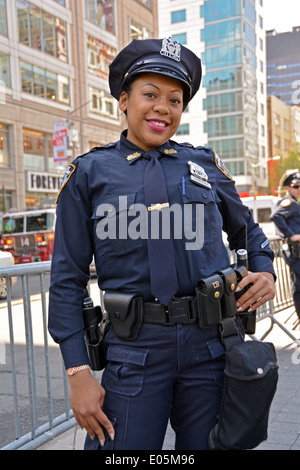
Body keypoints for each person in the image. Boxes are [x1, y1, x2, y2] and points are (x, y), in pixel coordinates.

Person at [48, 38, 276, 450]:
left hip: (210, 347)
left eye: (174, 100)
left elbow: (247, 231)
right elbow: (67, 278)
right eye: (149, 95)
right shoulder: (89, 174)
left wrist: (264, 269)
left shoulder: (203, 163)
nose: (162, 108)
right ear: (123, 99)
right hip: (134, 352)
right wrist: (77, 371)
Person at [270, 172, 300, 321]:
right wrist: (291, 235)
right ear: (288, 188)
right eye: (296, 186)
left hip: (295, 250)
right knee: (298, 286)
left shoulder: (293, 202)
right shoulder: (289, 203)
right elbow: (275, 216)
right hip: (294, 251)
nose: (299, 189)